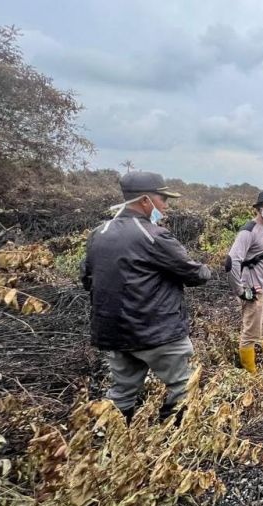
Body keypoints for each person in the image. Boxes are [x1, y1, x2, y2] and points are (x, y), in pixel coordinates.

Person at [80, 171, 211, 425]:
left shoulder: (98, 233)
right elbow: (194, 274)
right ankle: (172, 443)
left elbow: (86, 278)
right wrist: (207, 269)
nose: (165, 206)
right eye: (162, 199)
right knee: (184, 386)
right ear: (144, 200)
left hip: (113, 334)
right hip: (157, 332)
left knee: (121, 394)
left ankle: (114, 446)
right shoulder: (154, 235)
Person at [227, 191, 263, 373]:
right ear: (259, 208)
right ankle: (251, 374)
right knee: (251, 334)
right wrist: (241, 290)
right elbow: (231, 261)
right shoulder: (248, 231)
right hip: (255, 292)